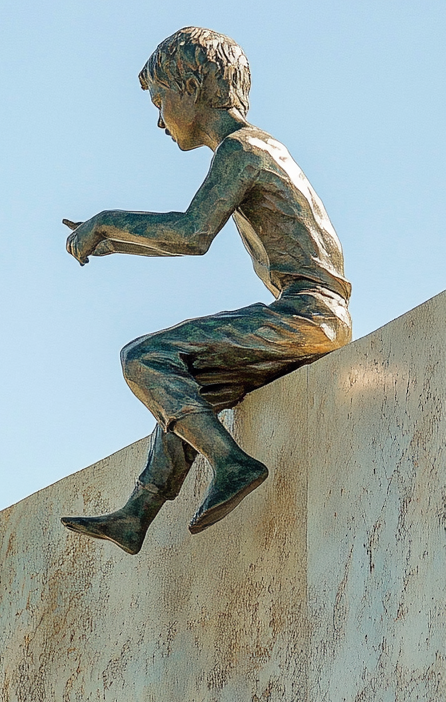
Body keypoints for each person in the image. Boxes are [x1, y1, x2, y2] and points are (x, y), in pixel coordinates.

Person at [60, 27, 351, 554]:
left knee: (146, 357)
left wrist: (108, 221)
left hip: (309, 316)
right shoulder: (254, 149)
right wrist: (117, 243)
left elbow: (193, 234)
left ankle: (233, 463)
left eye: (158, 100)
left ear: (190, 87)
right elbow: (191, 236)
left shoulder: (244, 150)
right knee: (184, 390)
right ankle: (137, 513)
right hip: (311, 315)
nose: (157, 119)